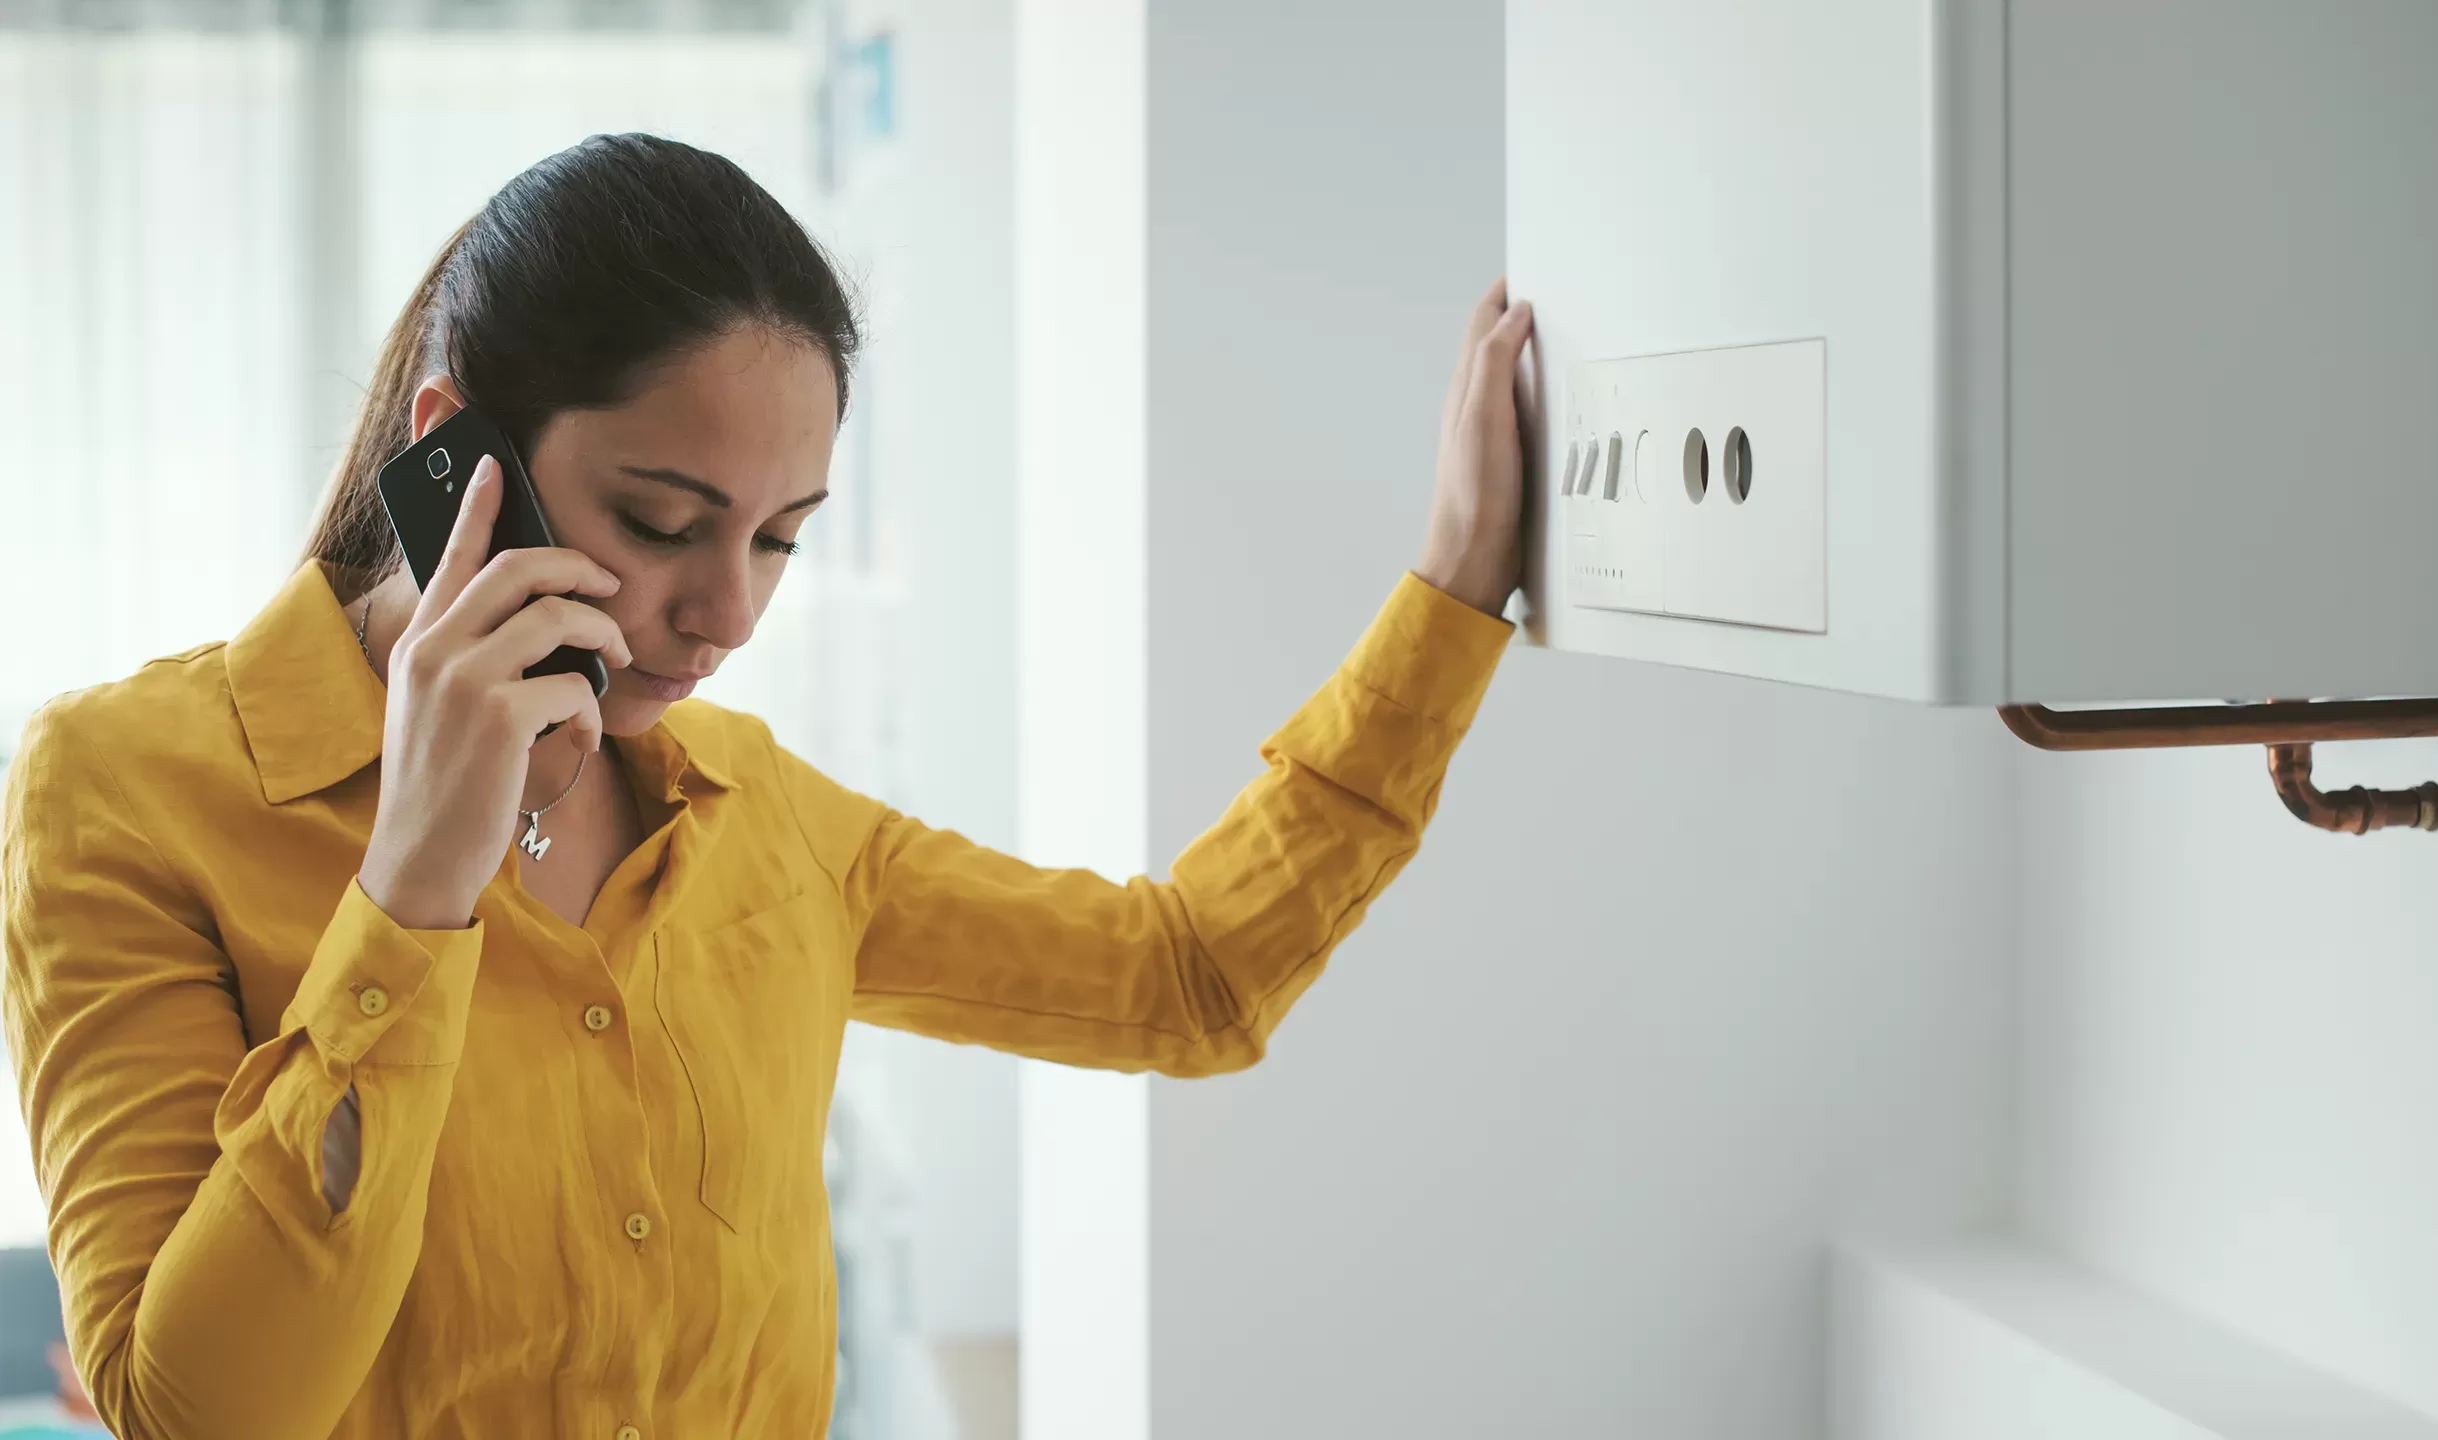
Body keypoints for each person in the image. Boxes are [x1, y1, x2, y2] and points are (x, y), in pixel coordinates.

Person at [0, 133, 1531, 1438]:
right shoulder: (124, 789)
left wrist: (1456, 590)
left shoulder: (758, 811)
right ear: (455, 448)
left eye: (780, 535)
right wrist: (412, 897)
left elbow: (1190, 977)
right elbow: (198, 1411)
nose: (730, 614)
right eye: (665, 520)